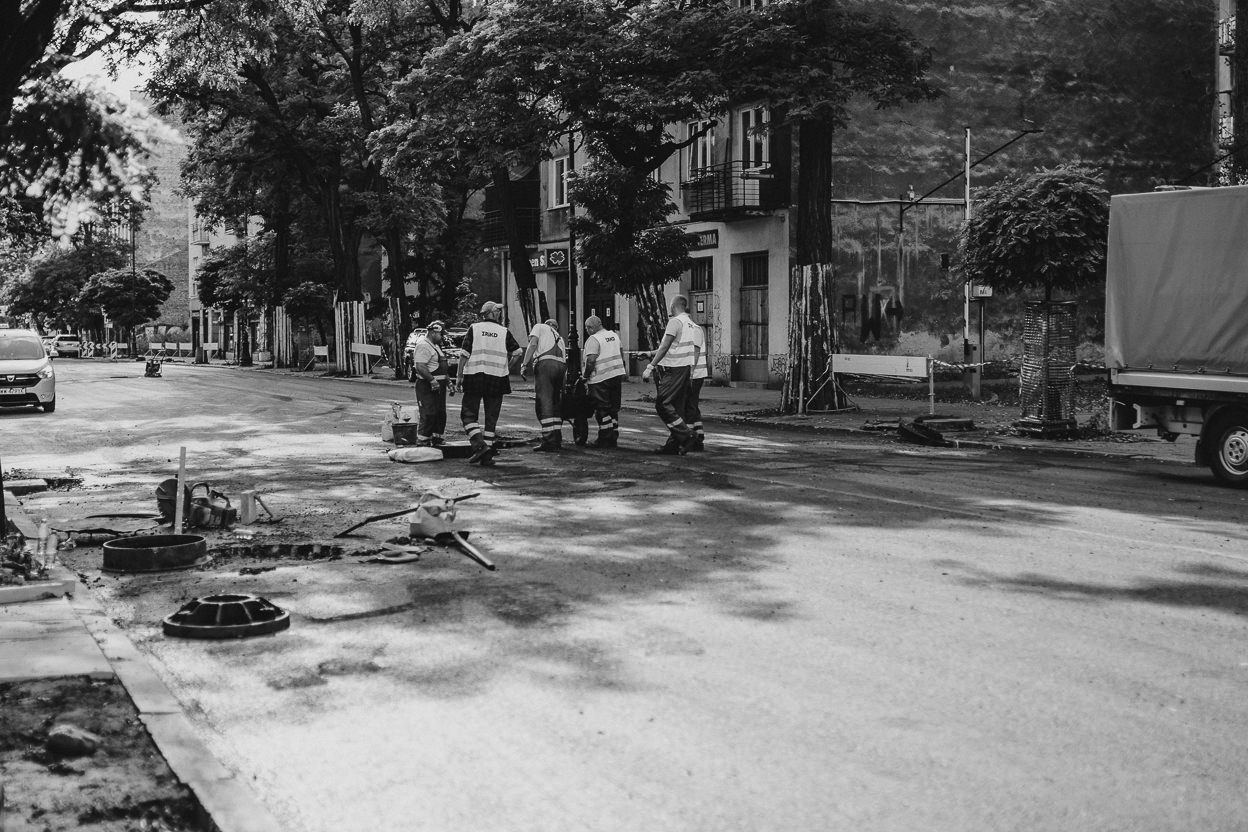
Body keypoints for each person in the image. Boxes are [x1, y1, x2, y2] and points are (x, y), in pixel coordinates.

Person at [457, 301, 522, 465]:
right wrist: (506, 366)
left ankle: (480, 447)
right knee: (491, 418)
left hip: (475, 376)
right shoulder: (503, 331)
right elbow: (517, 352)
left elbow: (464, 354)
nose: (499, 313)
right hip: (497, 378)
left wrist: (459, 377)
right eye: (497, 311)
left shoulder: (474, 329)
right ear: (491, 313)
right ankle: (487, 455)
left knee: (468, 414)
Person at [641, 295, 698, 454]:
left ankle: (687, 435)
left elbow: (665, 346)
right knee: (676, 407)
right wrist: (650, 353)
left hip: (674, 370)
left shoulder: (675, 322)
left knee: (663, 403)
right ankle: (673, 444)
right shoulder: (690, 324)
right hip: (684, 369)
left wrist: (650, 366)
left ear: (673, 306)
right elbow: (675, 347)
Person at [520, 318, 567, 452]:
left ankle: (548, 441)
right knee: (555, 403)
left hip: (546, 366)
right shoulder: (560, 337)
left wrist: (524, 364)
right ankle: (556, 438)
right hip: (561, 367)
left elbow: (533, 344)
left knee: (545, 402)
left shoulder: (539, 327)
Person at [582, 315, 626, 448]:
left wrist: (585, 376)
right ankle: (613, 436)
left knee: (602, 409)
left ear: (590, 328)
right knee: (613, 408)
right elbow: (621, 353)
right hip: (616, 375)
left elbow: (591, 360)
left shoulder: (593, 339)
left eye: (587, 328)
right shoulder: (614, 336)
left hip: (600, 378)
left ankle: (605, 438)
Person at [410, 320, 449, 446]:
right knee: (429, 413)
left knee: (440, 413)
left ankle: (436, 438)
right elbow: (420, 366)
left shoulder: (435, 346)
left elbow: (441, 367)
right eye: (441, 334)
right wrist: (432, 380)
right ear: (433, 332)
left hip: (438, 386)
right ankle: (422, 440)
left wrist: (449, 382)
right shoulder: (423, 345)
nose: (442, 337)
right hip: (426, 386)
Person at [685, 317, 708, 451]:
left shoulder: (694, 330)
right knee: (693, 405)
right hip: (696, 374)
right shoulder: (694, 329)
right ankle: (698, 436)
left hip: (695, 374)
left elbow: (695, 350)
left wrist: (691, 372)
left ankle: (689, 438)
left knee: (689, 406)